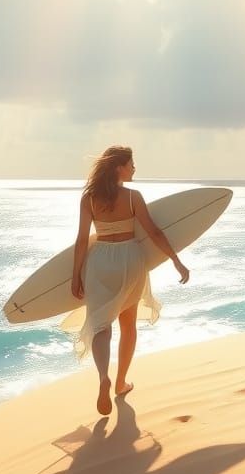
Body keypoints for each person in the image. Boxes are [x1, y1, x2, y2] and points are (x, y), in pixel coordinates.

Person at [67, 145, 190, 416]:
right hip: (130, 261)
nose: (134, 168)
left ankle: (103, 377)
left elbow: (80, 240)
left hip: (99, 263)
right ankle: (121, 382)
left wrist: (75, 275)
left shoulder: (88, 199)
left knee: (101, 325)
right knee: (128, 324)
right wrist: (176, 260)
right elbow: (154, 233)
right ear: (118, 167)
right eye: (131, 164)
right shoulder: (133, 197)